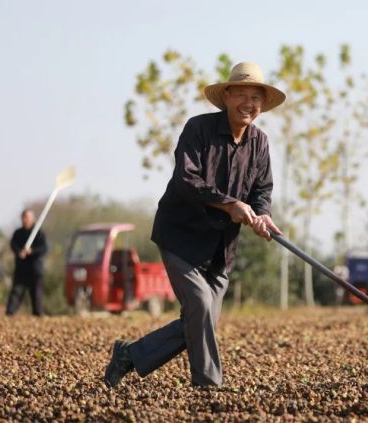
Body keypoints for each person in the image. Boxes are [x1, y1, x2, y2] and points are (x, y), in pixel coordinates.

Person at [104, 62, 285, 388]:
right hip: (181, 236)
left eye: (255, 97)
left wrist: (262, 214)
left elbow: (262, 190)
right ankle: (208, 386)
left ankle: (130, 356)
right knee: (200, 307)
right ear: (226, 96)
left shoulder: (260, 143)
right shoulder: (198, 129)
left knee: (201, 321)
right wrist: (229, 204)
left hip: (221, 248)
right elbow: (187, 180)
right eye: (241, 94)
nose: (249, 103)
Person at [6, 209, 48, 316]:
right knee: (17, 292)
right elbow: (13, 245)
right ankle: (10, 313)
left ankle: (38, 313)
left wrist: (31, 251)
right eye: (24, 217)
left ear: (32, 218)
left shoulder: (38, 233)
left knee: (37, 293)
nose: (26, 220)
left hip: (35, 269)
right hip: (21, 269)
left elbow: (44, 248)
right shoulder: (18, 233)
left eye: (28, 217)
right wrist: (19, 252)